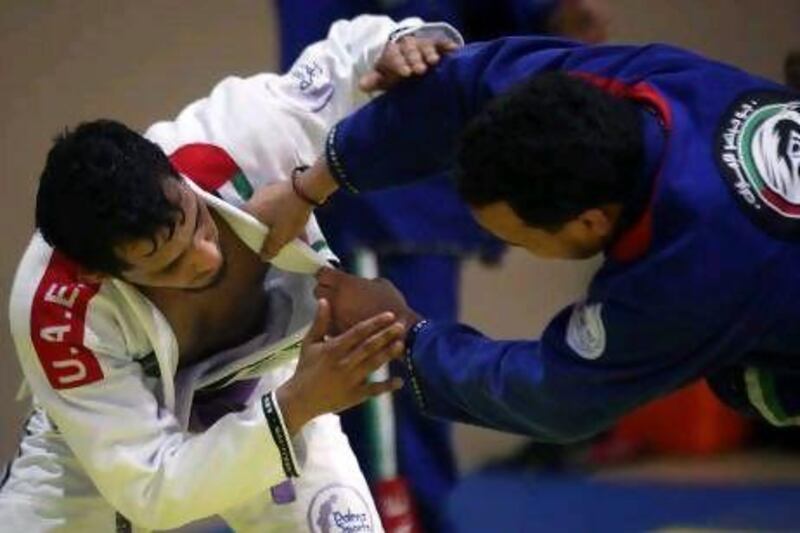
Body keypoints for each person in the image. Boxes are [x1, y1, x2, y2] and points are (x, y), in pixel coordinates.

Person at [0, 16, 459, 532]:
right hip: (117, 424)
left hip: (261, 381)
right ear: (102, 272)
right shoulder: (57, 310)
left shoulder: (240, 136)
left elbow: (349, 57)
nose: (205, 257)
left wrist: (402, 44)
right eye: (168, 264)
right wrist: (299, 403)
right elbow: (153, 490)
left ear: (172, 172)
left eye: (197, 224)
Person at [257, 35, 800, 444]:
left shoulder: (686, 269)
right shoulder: (640, 83)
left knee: (748, 380)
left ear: (589, 221)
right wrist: (312, 183)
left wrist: (408, 335)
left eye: (518, 238)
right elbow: (464, 85)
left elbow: (555, 394)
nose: (511, 247)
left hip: (762, 285)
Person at [276, 2, 610, 531]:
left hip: (395, 189)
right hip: (342, 181)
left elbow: (566, 22)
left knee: (400, 396)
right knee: (345, 402)